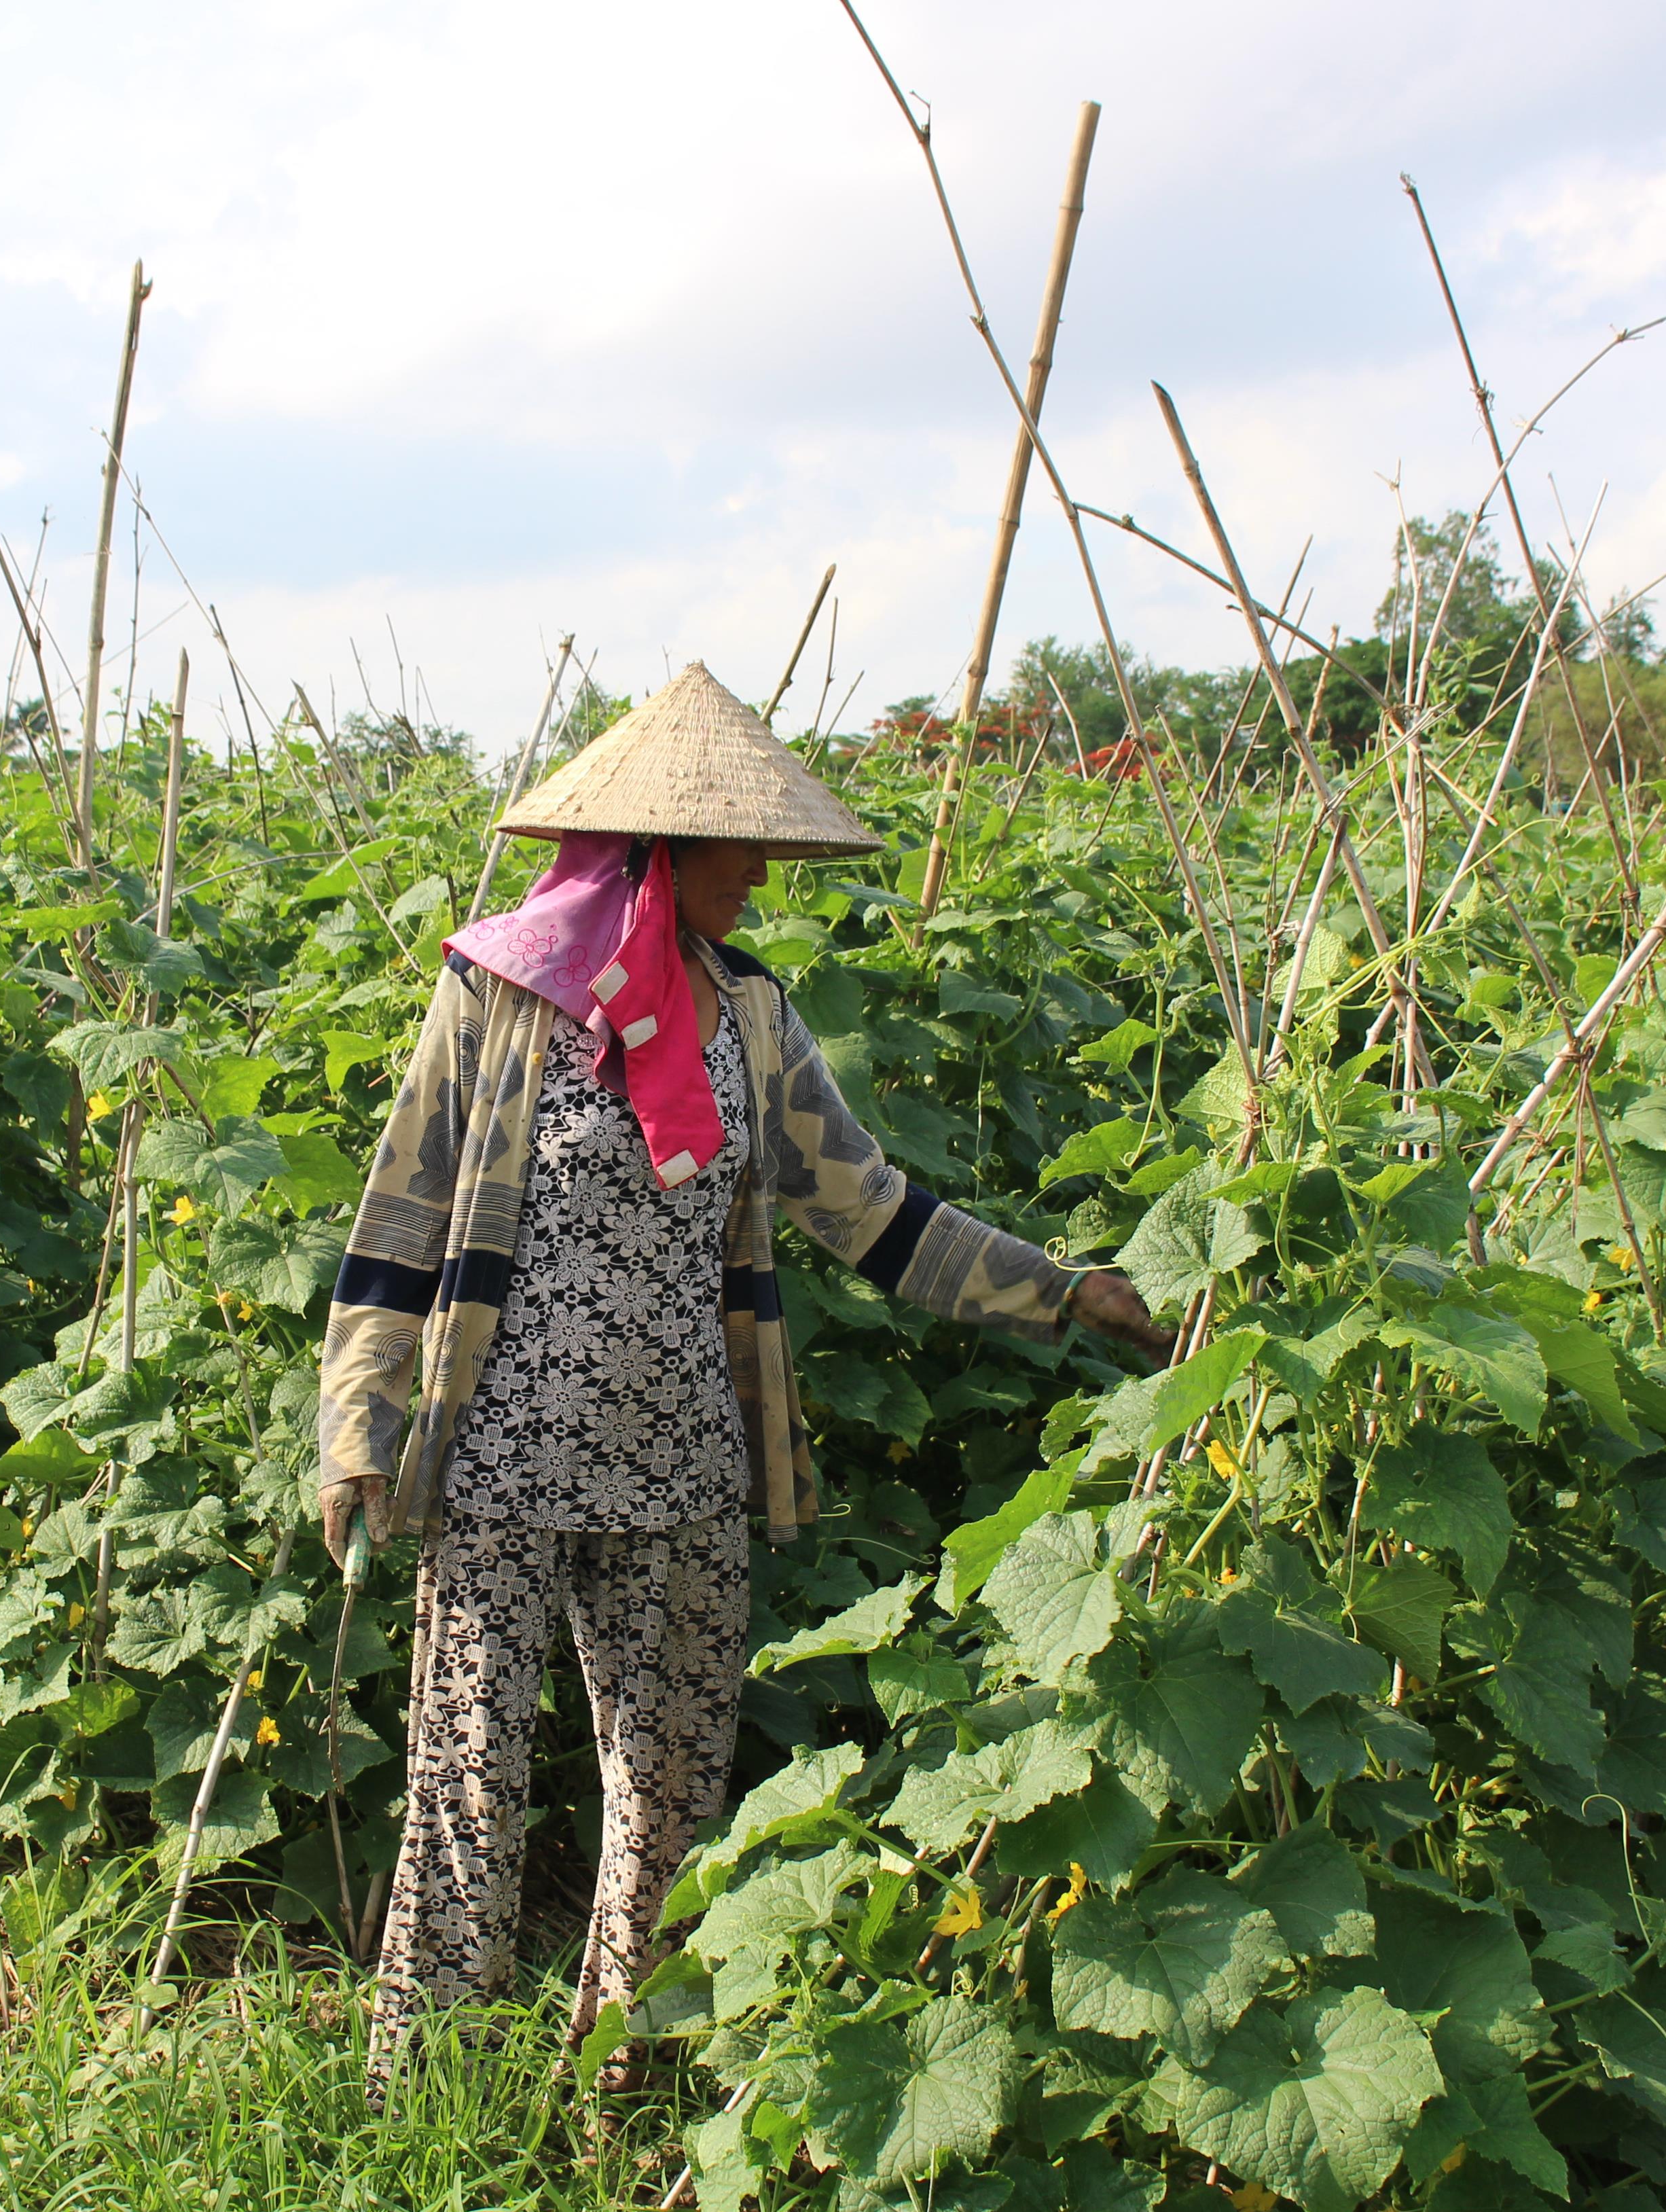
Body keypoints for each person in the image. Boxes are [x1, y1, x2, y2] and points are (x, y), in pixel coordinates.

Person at [316, 661, 1167, 2089]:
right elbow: (398, 1231)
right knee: (464, 1780)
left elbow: (873, 1215)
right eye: (738, 849)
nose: (761, 878)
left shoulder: (751, 1023)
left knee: (668, 1799)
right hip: (501, 1465)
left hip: (682, 1472)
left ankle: (624, 2083)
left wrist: (1064, 1291)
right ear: (658, 848)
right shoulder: (495, 1001)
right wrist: (357, 1428)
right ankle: (422, 2095)